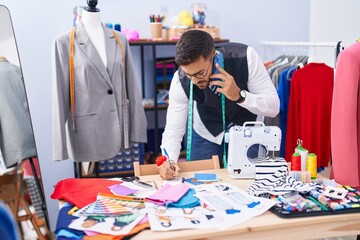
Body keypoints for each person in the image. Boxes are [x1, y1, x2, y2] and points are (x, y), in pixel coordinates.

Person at [159, 30, 279, 180]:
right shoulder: (180, 79)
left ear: (213, 56)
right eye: (190, 75)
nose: (195, 81)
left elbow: (274, 108)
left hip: (247, 133)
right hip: (206, 133)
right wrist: (168, 160)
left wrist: (240, 96)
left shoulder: (245, 57)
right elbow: (173, 129)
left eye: (200, 73)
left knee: (248, 185)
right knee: (201, 187)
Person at [52, 6, 147, 163]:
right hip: (86, 133)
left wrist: (137, 131)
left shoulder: (119, 39)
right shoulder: (64, 43)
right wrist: (59, 148)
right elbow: (59, 97)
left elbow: (132, 88)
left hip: (118, 126)